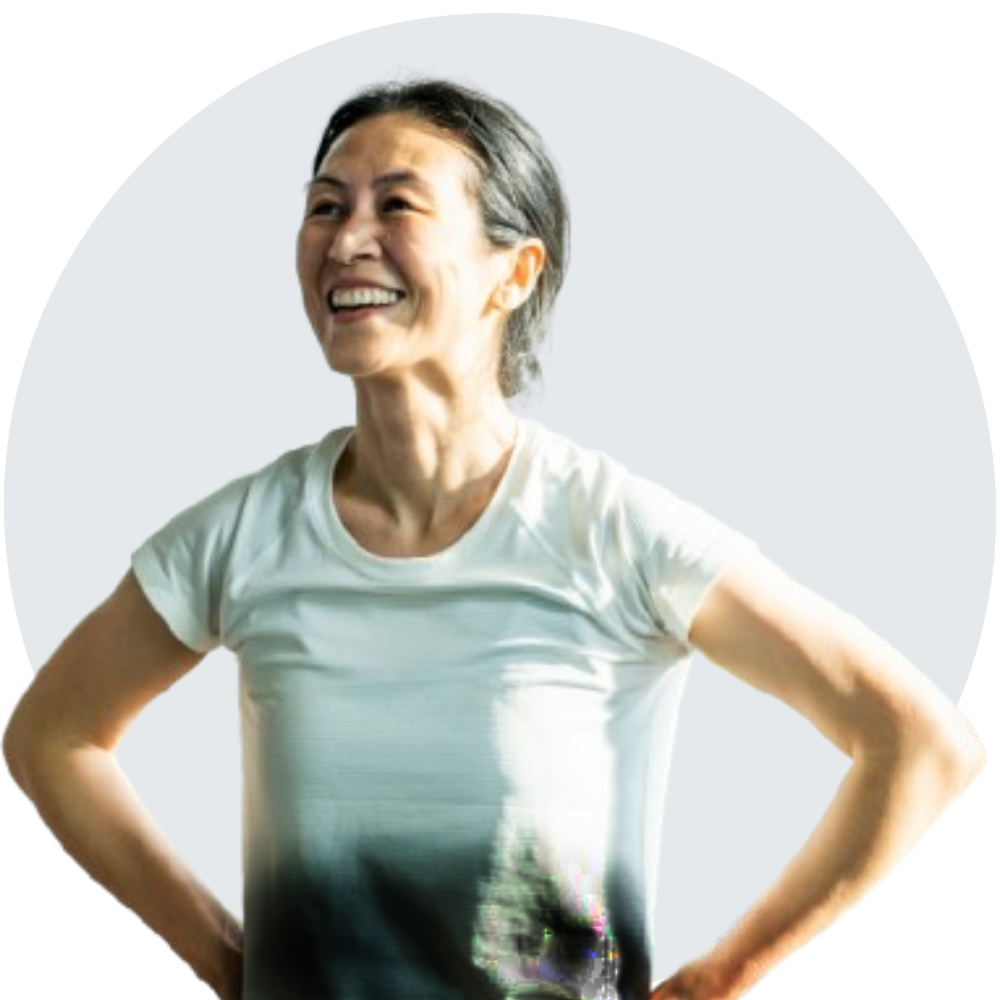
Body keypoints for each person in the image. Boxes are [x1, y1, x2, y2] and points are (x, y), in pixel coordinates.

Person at [2, 71, 986, 1000]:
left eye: (397, 204)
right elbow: (51, 735)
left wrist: (718, 979)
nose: (347, 239)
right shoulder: (242, 532)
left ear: (511, 273)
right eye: (324, 205)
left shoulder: (611, 526)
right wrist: (222, 959)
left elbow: (918, 742)